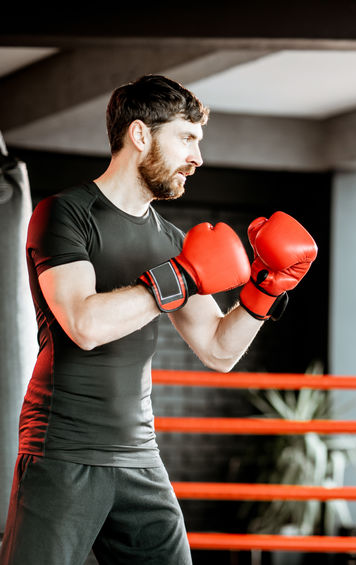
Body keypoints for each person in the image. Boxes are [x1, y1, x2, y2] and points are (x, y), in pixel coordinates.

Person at [0, 74, 318, 565]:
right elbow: (84, 324)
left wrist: (265, 289)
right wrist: (185, 276)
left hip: (139, 458)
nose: (198, 157)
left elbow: (218, 350)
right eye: (187, 138)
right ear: (141, 135)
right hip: (63, 452)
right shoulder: (64, 213)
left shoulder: (172, 240)